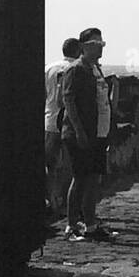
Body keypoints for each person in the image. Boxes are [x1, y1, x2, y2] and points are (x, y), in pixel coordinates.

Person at [63, 27, 115, 240]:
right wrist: (79, 131)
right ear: (84, 46)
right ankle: (72, 224)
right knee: (80, 178)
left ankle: (90, 223)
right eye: (95, 44)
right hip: (80, 133)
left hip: (98, 133)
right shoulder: (76, 69)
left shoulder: (96, 69)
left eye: (102, 44)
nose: (100, 48)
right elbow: (69, 101)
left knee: (93, 178)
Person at [44, 37, 80, 220]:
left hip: (50, 121)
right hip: (69, 123)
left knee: (50, 165)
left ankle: (52, 199)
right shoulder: (77, 69)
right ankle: (68, 203)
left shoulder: (49, 68)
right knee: (70, 164)